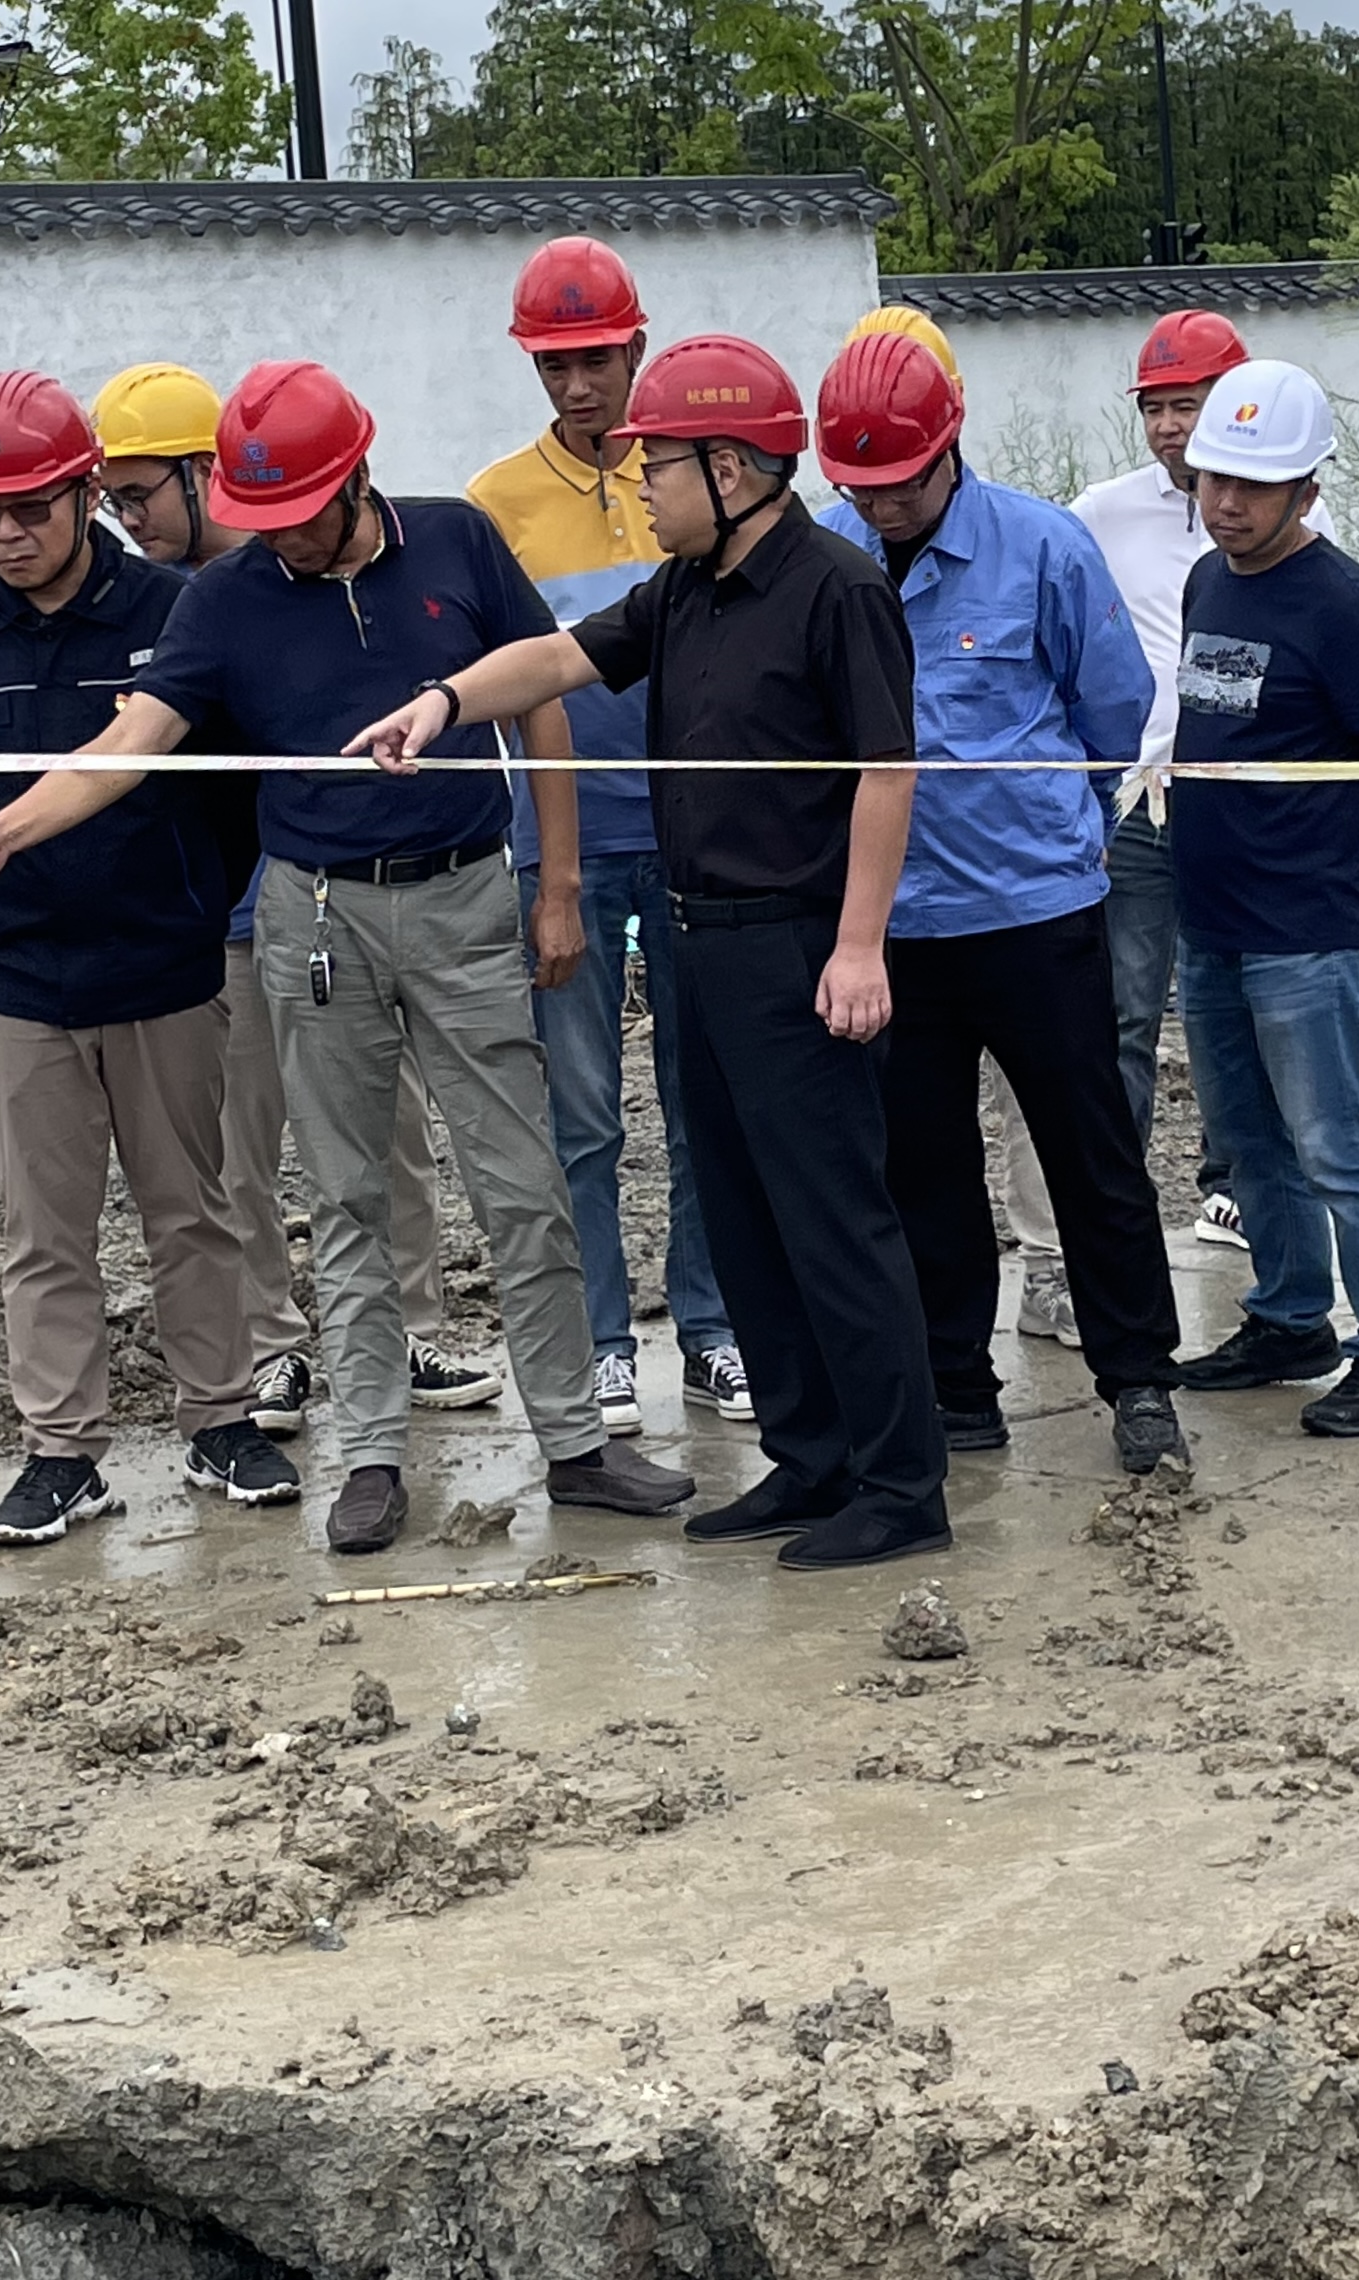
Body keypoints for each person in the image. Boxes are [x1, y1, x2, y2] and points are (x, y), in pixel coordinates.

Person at [0, 359, 694, 1552]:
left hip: (466, 897)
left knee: (520, 1182)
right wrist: (1, 835)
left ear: (356, 479)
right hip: (317, 915)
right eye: (261, 517)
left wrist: (559, 885)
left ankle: (577, 1444)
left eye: (299, 515)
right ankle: (373, 1452)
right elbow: (133, 745)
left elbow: (540, 698)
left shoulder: (456, 542)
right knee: (344, 1195)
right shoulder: (224, 599)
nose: (280, 539)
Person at [348, 334, 952, 1574]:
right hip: (699, 937)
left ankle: (900, 1485)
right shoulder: (683, 590)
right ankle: (810, 1455)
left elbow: (886, 774)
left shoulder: (837, 589)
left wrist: (858, 946)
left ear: (729, 469)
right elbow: (560, 657)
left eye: (658, 464)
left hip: (798, 948)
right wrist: (445, 702)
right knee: (743, 1213)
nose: (642, 485)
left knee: (834, 1218)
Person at [0, 369, 300, 1545]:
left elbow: (234, 796)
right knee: (44, 1235)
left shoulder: (178, 613)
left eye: (32, 508)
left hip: (166, 969)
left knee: (193, 1212)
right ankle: (62, 1453)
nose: (9, 535)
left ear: (84, 494)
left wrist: (185, 901)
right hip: (19, 981)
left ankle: (220, 1419)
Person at [90, 362, 499, 1436]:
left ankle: (406, 1327)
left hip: (342, 905)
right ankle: (274, 1344)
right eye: (111, 499)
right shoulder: (166, 606)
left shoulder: (311, 579)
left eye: (139, 493)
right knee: (245, 1142)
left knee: (386, 1128)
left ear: (199, 473)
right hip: (231, 918)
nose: (127, 519)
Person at [815, 331, 1186, 1476]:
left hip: (1036, 914)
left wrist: (1049, 822)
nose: (881, 506)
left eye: (900, 483)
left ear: (949, 448)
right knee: (923, 1168)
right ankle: (957, 1388)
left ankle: (1138, 1380)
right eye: (861, 487)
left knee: (1091, 1157)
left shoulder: (1041, 547)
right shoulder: (827, 558)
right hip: (896, 928)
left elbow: (1113, 708)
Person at [467, 239, 750, 1437]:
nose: (578, 386)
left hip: (696, 839)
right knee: (579, 1113)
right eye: (554, 366)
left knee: (704, 1100)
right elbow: (509, 685)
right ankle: (599, 1344)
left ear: (636, 347)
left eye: (596, 360)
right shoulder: (495, 505)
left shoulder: (691, 480)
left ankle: (712, 1326)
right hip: (564, 850)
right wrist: (553, 878)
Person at [1171, 361, 1359, 1436]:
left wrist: (1349, 850)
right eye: (1214, 479)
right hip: (1214, 916)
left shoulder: (1343, 606)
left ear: (1306, 490)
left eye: (1253, 485)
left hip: (1306, 927)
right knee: (1248, 1138)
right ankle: (1290, 1318)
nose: (1227, 503)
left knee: (1340, 1141)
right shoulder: (1209, 582)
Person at [1071, 311, 1337, 1258]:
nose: (1169, 426)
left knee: (1244, 1002)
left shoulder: (1300, 521)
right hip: (1141, 801)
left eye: (1187, 404)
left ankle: (1235, 1185)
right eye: (1154, 408)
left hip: (1251, 806)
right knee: (1126, 1011)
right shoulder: (1098, 513)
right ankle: (1114, 1199)